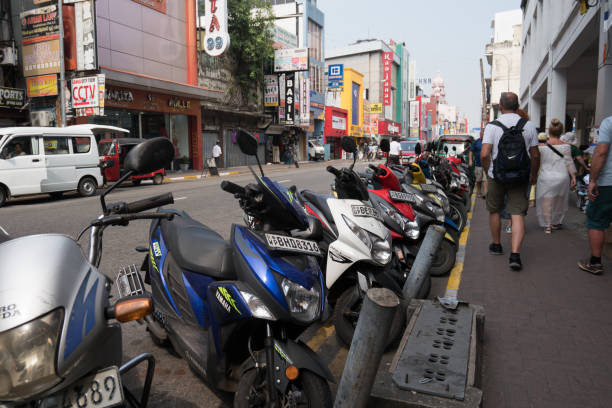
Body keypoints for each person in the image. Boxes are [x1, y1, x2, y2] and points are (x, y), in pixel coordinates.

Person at [481, 92, 540, 271]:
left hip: (496, 175)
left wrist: (487, 171)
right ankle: (515, 255)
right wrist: (533, 174)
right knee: (517, 214)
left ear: (500, 106)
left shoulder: (492, 126)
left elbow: (484, 154)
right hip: (520, 175)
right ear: (517, 105)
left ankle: (497, 245)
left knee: (495, 211)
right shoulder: (528, 126)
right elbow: (535, 154)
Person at [578, 115, 612, 274]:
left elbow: (601, 152)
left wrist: (592, 180)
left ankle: (595, 262)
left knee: (596, 220)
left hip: (608, 182)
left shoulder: (609, 122)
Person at [536, 119, 576, 233]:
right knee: (559, 200)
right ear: (561, 131)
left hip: (546, 177)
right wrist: (573, 177)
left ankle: (547, 225)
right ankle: (556, 222)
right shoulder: (566, 146)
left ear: (549, 131)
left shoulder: (541, 146)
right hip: (562, 176)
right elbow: (569, 162)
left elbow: (536, 161)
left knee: (546, 201)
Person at [469, 128, 486, 198]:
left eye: (483, 134)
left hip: (486, 165)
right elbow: (471, 152)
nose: (481, 135)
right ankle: (479, 192)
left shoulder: (488, 142)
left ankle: (485, 193)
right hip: (478, 164)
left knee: (485, 180)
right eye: (480, 134)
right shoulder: (476, 142)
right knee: (478, 180)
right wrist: (470, 160)